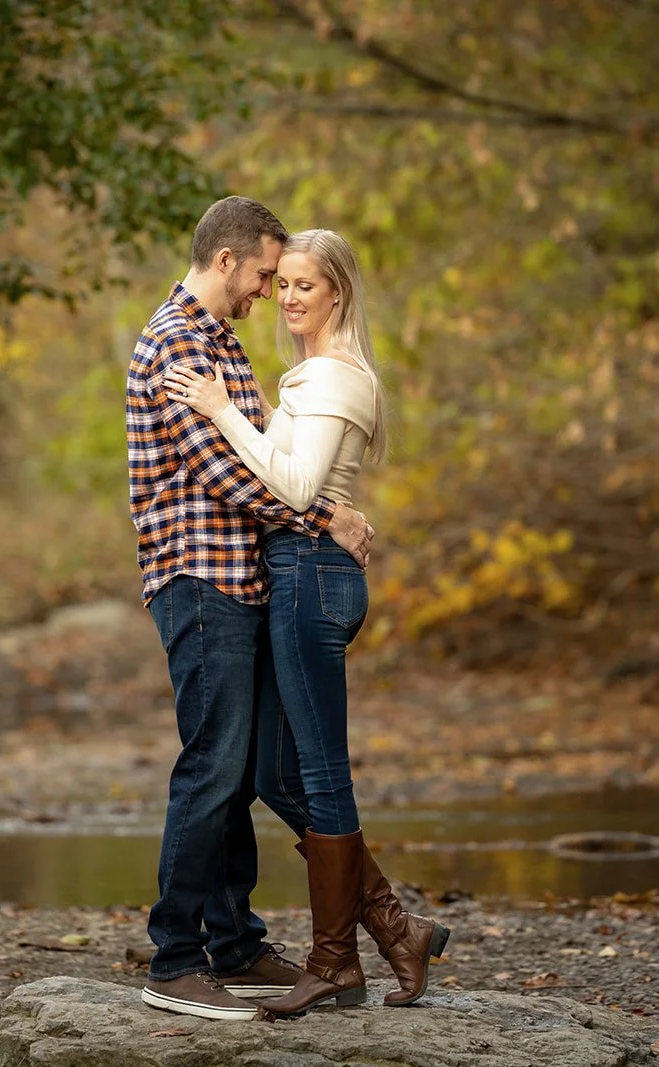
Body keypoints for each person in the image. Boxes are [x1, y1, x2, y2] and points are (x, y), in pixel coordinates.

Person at [163, 228, 452, 1016]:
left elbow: (289, 487)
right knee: (272, 773)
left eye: (303, 285)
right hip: (293, 574)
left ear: (339, 293)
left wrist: (223, 408)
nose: (285, 297)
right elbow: (287, 478)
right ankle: (395, 927)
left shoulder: (332, 376)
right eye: (280, 282)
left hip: (310, 580)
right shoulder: (305, 373)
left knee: (320, 772)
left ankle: (337, 960)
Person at [127, 198, 376, 1021]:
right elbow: (228, 476)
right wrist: (326, 517)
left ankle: (233, 940)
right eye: (268, 273)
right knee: (213, 763)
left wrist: (306, 509)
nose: (272, 290)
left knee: (237, 771)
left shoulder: (221, 342)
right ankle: (175, 954)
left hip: (242, 577)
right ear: (228, 259)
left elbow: (267, 458)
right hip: (198, 578)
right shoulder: (173, 343)